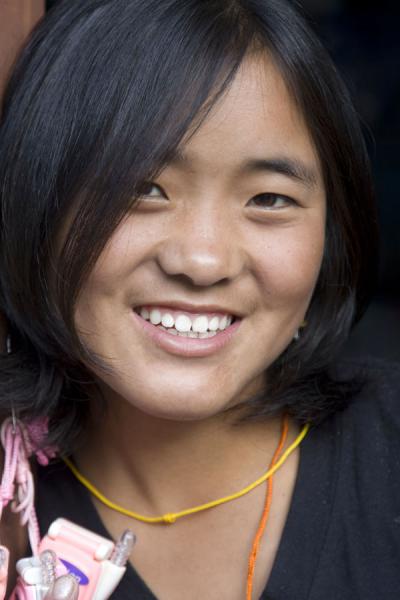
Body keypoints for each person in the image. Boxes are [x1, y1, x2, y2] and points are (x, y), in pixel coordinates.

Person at [0, 0, 398, 598]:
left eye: (269, 199)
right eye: (142, 188)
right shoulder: (13, 499)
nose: (204, 261)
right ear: (39, 201)